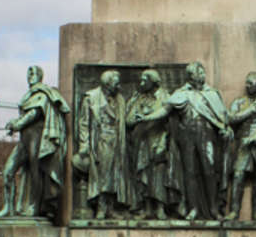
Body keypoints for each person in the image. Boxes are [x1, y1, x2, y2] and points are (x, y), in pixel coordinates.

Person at [0, 65, 70, 220]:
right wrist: (16, 123)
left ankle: (34, 206)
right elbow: (27, 115)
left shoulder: (43, 93)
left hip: (37, 138)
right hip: (24, 140)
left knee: (36, 173)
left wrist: (17, 124)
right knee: (8, 171)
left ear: (40, 76)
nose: (30, 76)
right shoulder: (28, 95)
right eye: (28, 73)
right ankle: (8, 207)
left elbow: (34, 113)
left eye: (33, 73)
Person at [165, 62, 233, 220]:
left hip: (207, 133)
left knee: (209, 170)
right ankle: (193, 208)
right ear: (191, 75)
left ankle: (213, 208)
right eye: (199, 72)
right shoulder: (181, 93)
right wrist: (146, 117)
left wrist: (226, 128)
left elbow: (223, 116)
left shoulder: (212, 94)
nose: (202, 75)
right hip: (187, 135)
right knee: (189, 172)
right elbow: (165, 110)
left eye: (203, 72)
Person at [75, 69, 135, 219]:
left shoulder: (120, 99)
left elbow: (126, 120)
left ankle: (111, 207)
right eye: (116, 82)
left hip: (117, 141)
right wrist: (84, 144)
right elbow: (83, 123)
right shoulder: (91, 97)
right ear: (108, 83)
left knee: (116, 177)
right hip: (100, 141)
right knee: (103, 176)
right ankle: (101, 207)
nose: (118, 85)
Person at [126, 69, 180, 220]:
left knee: (158, 175)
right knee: (143, 174)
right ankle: (147, 208)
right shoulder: (139, 98)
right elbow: (128, 120)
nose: (141, 83)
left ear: (154, 82)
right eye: (141, 80)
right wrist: (136, 119)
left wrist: (147, 119)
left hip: (159, 140)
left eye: (145, 80)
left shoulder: (165, 96)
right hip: (142, 142)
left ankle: (161, 207)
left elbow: (168, 115)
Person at [226, 72, 256, 220]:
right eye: (246, 83)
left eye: (251, 83)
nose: (247, 86)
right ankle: (234, 211)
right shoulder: (239, 102)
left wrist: (254, 137)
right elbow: (230, 118)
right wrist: (249, 111)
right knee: (238, 175)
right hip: (242, 145)